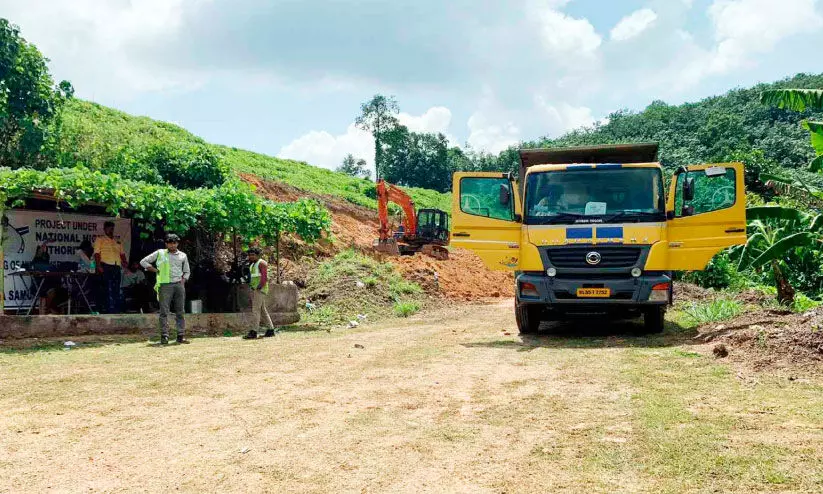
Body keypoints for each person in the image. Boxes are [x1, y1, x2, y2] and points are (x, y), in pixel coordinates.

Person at [140, 234, 191, 345]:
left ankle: (180, 336)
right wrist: (155, 270)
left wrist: (183, 281)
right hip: (164, 285)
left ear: (177, 243)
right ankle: (164, 336)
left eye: (174, 243)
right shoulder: (160, 253)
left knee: (180, 311)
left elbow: (187, 271)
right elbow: (143, 262)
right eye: (170, 243)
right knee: (164, 312)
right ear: (166, 244)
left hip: (178, 285)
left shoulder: (183, 255)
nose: (172, 245)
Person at [242, 247, 276, 340]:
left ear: (258, 255)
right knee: (262, 310)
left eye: (253, 255)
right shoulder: (253, 264)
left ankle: (254, 331)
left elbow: (264, 278)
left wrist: (259, 287)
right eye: (250, 255)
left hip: (259, 289)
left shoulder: (261, 263)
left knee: (255, 310)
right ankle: (270, 329)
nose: (251, 256)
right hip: (255, 289)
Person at [93, 221, 127, 313]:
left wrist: (125, 262)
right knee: (107, 289)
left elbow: (122, 254)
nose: (110, 230)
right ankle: (107, 310)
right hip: (106, 266)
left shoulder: (117, 241)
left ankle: (116, 309)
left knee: (116, 289)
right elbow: (96, 253)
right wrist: (98, 265)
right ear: (104, 229)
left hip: (116, 267)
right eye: (108, 228)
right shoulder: (100, 239)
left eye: (112, 228)